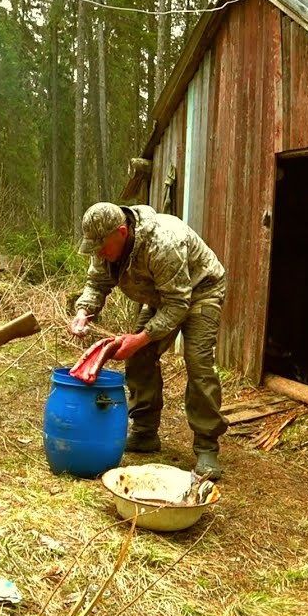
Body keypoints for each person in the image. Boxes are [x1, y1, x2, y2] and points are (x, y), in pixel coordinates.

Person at [68, 202, 228, 479]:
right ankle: (145, 432)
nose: (99, 253)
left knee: (198, 362)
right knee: (139, 356)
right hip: (161, 296)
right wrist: (84, 311)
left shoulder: (163, 242)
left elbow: (179, 304)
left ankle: (206, 447)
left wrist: (140, 337)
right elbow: (97, 283)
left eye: (103, 247)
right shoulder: (103, 244)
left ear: (122, 231)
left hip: (201, 291)